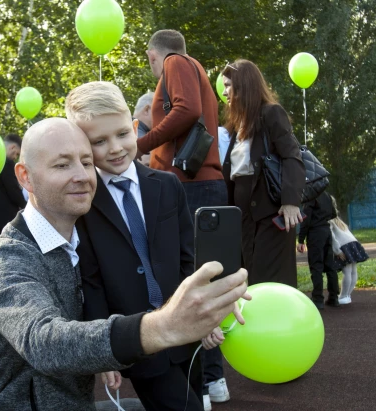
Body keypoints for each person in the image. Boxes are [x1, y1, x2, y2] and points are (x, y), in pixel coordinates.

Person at [0, 117, 250, 410]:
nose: (81, 176)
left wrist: (206, 302)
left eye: (87, 162)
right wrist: (165, 326)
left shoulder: (77, 245)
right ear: (25, 176)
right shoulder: (4, 259)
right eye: (62, 165)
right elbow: (44, 341)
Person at [65, 82, 203, 410]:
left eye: (121, 135)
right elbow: (92, 282)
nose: (114, 148)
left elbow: (188, 256)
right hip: (137, 339)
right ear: (83, 147)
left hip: (185, 329)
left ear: (135, 128)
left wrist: (200, 312)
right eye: (99, 141)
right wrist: (104, 349)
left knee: (194, 397)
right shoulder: (84, 204)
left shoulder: (167, 185)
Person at [139, 29, 229, 409]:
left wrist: (140, 145)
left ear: (153, 55)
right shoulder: (197, 68)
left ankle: (203, 387)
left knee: (187, 283)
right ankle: (212, 380)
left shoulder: (175, 63)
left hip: (187, 187)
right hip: (204, 186)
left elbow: (186, 111)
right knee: (205, 282)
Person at [220, 59, 305, 287]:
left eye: (229, 85)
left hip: (271, 213)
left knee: (270, 280)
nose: (225, 91)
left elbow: (291, 156)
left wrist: (290, 202)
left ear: (244, 85)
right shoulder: (237, 125)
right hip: (244, 216)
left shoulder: (271, 114)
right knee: (250, 278)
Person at [297, 191, 340, 309]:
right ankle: (334, 297)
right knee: (330, 266)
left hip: (315, 234)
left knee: (316, 266)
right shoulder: (327, 195)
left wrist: (301, 240)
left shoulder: (311, 197)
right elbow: (333, 214)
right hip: (326, 231)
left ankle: (318, 298)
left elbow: (306, 219)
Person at [329, 196, 369, 305]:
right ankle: (347, 295)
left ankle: (342, 296)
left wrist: (337, 251)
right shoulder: (337, 219)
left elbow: (332, 237)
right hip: (353, 244)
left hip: (344, 246)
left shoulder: (328, 220)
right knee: (353, 271)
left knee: (346, 272)